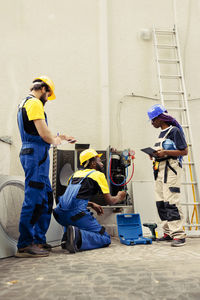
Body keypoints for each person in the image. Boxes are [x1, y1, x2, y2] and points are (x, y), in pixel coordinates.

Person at [16, 75, 76, 258]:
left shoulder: (28, 103)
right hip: (34, 155)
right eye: (49, 95)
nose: (48, 99)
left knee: (45, 198)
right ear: (43, 89)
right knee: (33, 199)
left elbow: (39, 131)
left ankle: (38, 240)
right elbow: (44, 135)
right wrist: (56, 141)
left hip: (38, 155)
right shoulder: (34, 103)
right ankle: (25, 244)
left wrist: (61, 136)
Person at [53, 148, 126, 253]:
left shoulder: (74, 175)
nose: (101, 163)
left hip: (59, 214)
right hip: (76, 215)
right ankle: (76, 237)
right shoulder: (98, 175)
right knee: (105, 238)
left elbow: (71, 198)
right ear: (92, 163)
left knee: (73, 220)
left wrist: (91, 204)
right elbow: (110, 201)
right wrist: (120, 196)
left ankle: (67, 238)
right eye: (99, 161)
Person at [147, 104, 188, 247]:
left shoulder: (174, 131)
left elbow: (184, 151)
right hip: (159, 170)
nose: (152, 123)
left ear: (160, 118)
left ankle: (178, 235)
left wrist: (165, 153)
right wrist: (154, 155)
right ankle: (168, 232)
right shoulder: (161, 133)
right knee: (161, 202)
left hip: (171, 170)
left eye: (153, 120)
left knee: (171, 201)